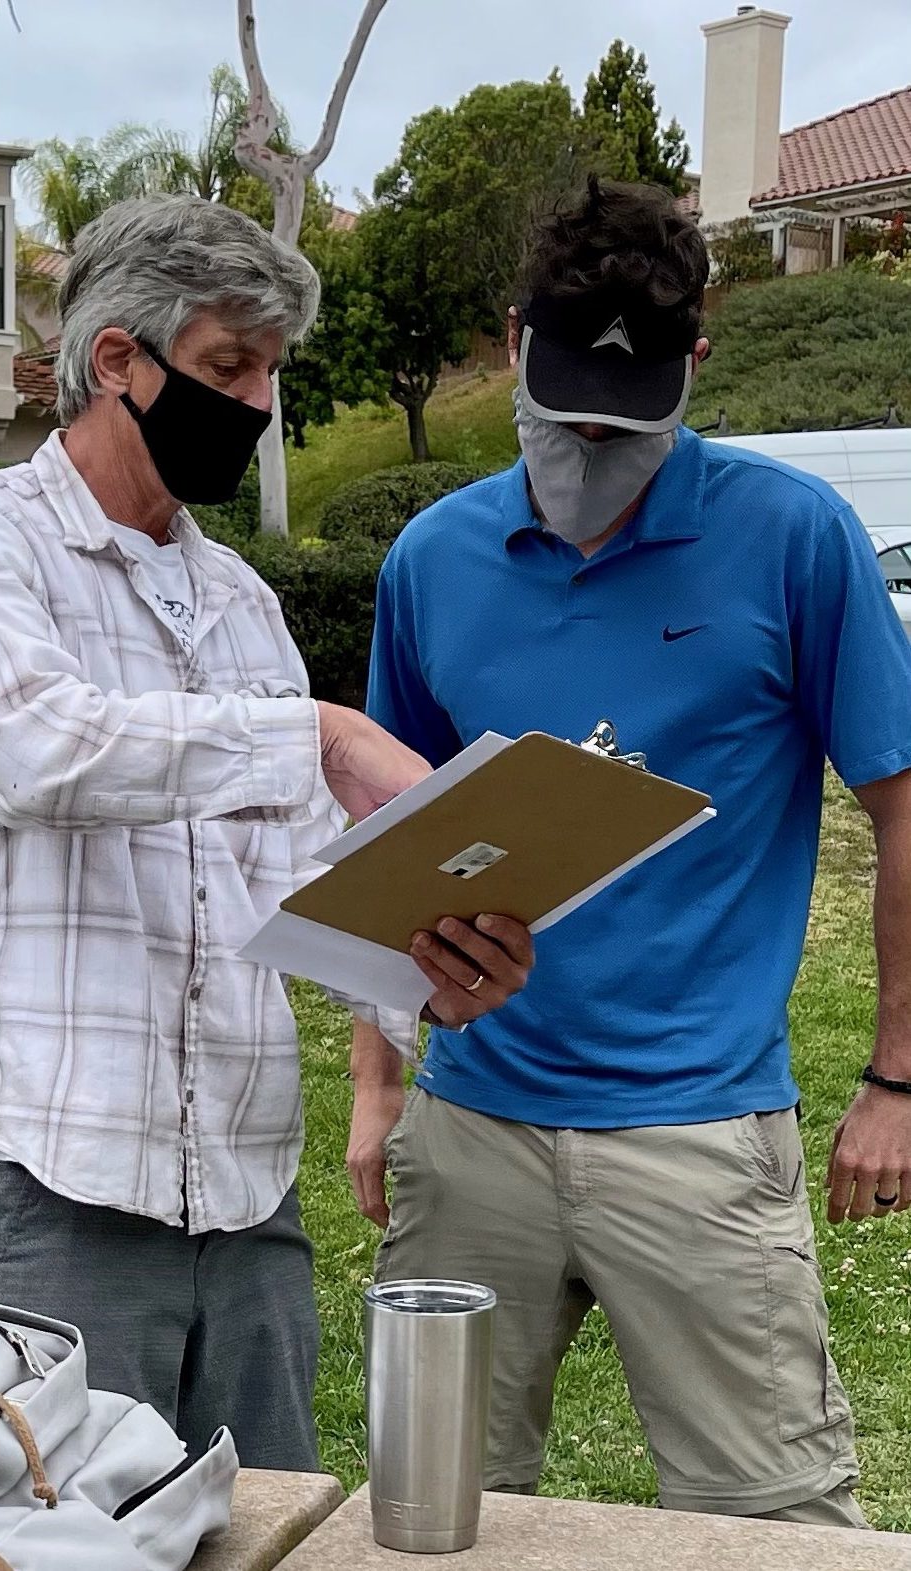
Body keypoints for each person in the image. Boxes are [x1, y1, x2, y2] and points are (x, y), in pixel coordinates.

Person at [0, 195, 524, 1472]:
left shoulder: (239, 599)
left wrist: (430, 966)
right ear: (117, 359)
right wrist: (318, 734)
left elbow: (288, 875)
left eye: (270, 372)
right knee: (77, 1552)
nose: (254, 403)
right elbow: (38, 751)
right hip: (58, 1181)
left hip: (245, 1190)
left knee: (263, 1531)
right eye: (229, 365)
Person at [347, 176, 911, 1527]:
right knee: (429, 1512)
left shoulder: (797, 538)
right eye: (566, 403)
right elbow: (387, 841)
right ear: (511, 339)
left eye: (627, 410)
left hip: (701, 1128)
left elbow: (904, 807)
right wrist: (380, 1083)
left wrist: (898, 1073)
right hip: (477, 1120)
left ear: (694, 364)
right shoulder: (434, 557)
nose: (589, 441)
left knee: (772, 1527)